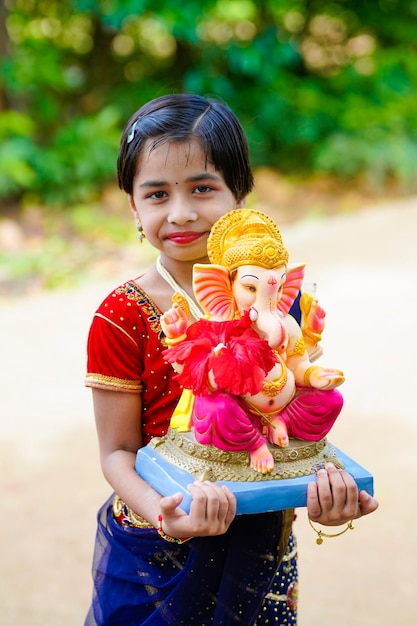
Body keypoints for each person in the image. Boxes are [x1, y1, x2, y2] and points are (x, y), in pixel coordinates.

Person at [84, 93, 378, 625]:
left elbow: (291, 417)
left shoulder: (279, 300)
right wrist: (167, 517)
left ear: (240, 196)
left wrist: (327, 496)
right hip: (156, 552)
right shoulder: (120, 316)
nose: (181, 213)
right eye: (156, 194)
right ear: (133, 206)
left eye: (203, 188)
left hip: (259, 546)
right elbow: (116, 454)